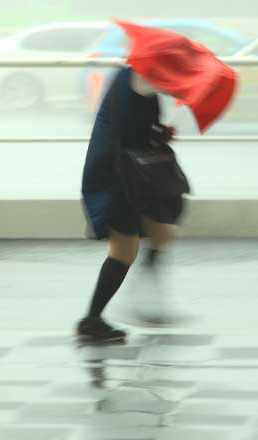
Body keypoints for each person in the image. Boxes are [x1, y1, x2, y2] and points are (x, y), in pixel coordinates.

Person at [76, 21, 236, 343]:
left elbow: (135, 125)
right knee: (124, 248)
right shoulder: (142, 79)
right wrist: (191, 84)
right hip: (117, 174)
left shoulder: (135, 74)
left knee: (160, 233)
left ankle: (145, 300)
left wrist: (157, 131)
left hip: (132, 170)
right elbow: (132, 125)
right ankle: (92, 320)